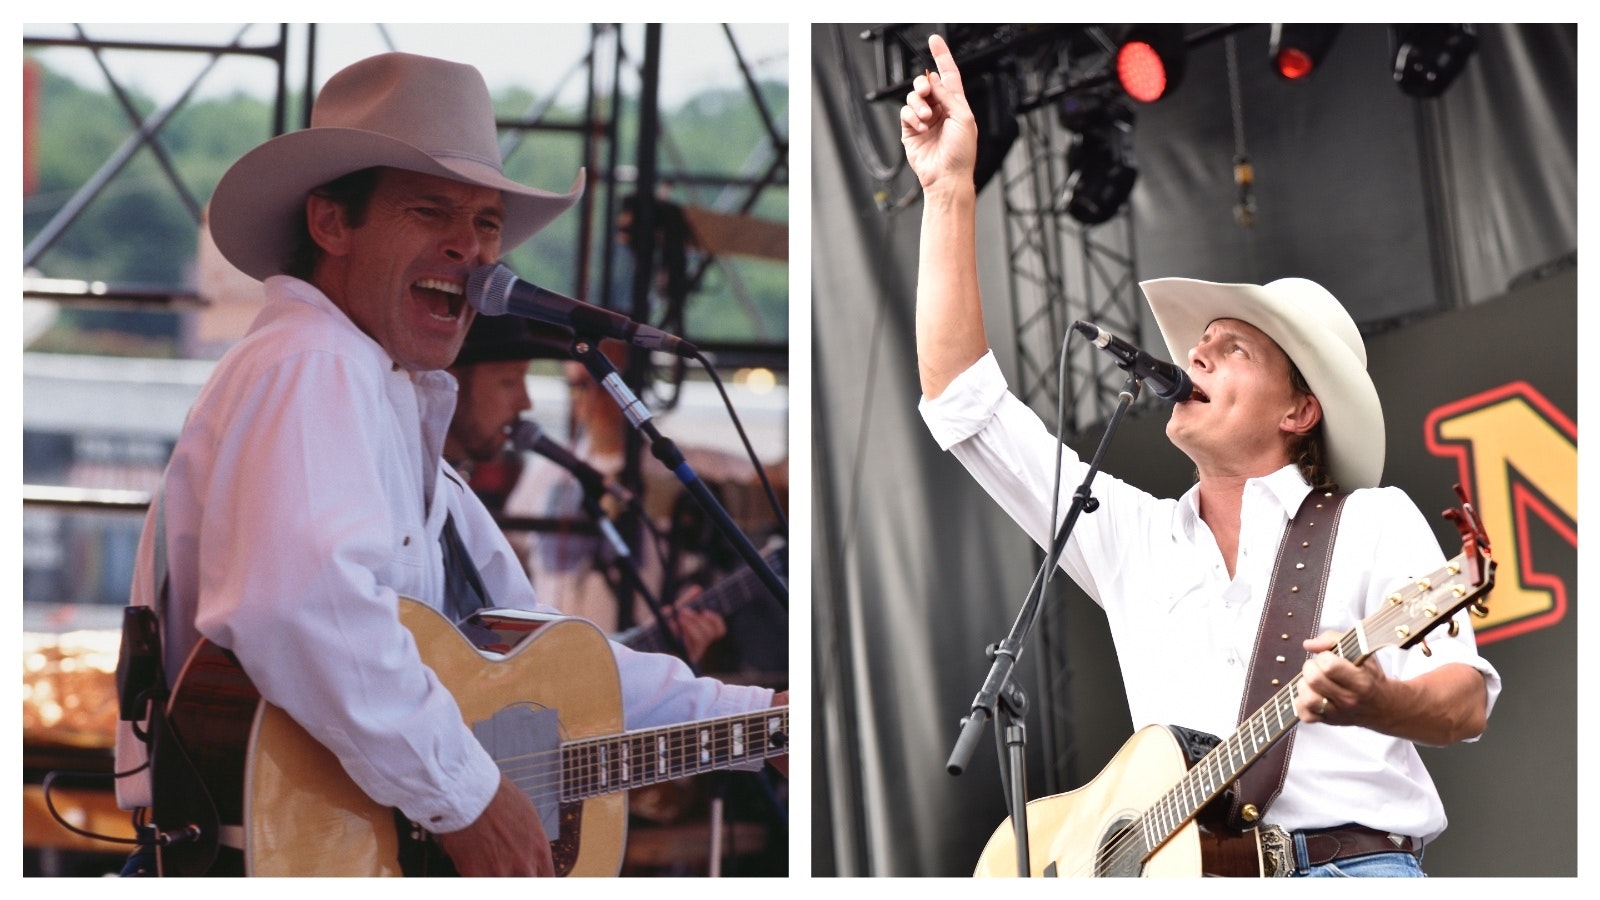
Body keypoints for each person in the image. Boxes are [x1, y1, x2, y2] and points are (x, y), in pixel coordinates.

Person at [114, 51, 784, 877]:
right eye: (430, 212)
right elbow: (300, 605)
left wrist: (756, 719)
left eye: (488, 225)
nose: (470, 251)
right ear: (331, 223)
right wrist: (465, 798)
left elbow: (555, 672)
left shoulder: (392, 414)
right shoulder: (313, 358)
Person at [903, 34, 1497, 877]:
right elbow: (963, 403)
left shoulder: (1372, 520)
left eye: (1233, 349)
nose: (1198, 358)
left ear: (1299, 409)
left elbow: (1465, 701)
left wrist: (1379, 701)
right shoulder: (1131, 536)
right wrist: (948, 189)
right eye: (1199, 346)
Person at [444, 316, 727, 663]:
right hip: (558, 662)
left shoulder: (683, 465)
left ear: (634, 386)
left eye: (604, 382)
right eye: (580, 386)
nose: (526, 402)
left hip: (580, 660)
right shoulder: (543, 473)